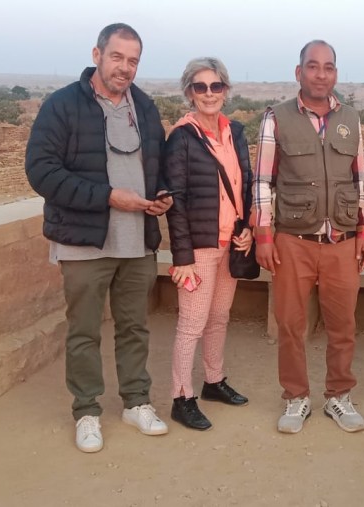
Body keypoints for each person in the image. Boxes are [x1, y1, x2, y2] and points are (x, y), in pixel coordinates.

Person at [25, 23, 172, 453]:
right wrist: (108, 197)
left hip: (137, 241)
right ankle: (86, 411)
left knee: (134, 327)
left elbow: (157, 166)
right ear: (97, 54)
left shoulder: (142, 107)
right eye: (117, 57)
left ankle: (136, 402)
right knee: (84, 331)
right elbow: (42, 171)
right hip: (84, 242)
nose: (124, 67)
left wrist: (161, 196)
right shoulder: (63, 106)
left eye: (133, 61)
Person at [254, 40, 364, 434]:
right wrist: (264, 235)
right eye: (313, 66)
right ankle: (296, 398)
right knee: (290, 324)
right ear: (299, 72)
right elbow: (263, 181)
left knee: (343, 325)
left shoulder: (351, 119)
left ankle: (338, 396)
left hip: (342, 240)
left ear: (335, 73)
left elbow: (359, 182)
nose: (321, 74)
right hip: (292, 241)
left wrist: (363, 231)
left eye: (328, 67)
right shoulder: (277, 118)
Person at [163, 57, 253, 431]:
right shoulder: (182, 138)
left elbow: (244, 184)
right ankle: (181, 398)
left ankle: (213, 381)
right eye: (200, 87)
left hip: (229, 242)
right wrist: (181, 256)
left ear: (225, 90)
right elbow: (175, 200)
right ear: (189, 92)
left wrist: (246, 227)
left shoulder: (236, 132)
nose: (209, 94)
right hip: (198, 247)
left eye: (216, 86)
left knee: (218, 318)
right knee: (192, 323)